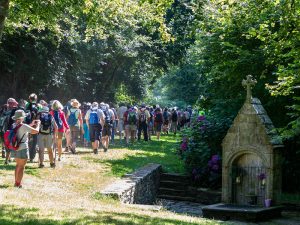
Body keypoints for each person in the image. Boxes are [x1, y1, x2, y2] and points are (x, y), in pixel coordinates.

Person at [10, 110, 40, 188]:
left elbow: (23, 128)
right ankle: (18, 184)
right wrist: (38, 125)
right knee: (22, 166)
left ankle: (16, 182)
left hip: (15, 147)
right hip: (23, 148)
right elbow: (36, 131)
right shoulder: (24, 126)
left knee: (18, 165)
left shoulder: (14, 125)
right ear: (22, 118)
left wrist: (31, 124)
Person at [25, 93, 41, 162]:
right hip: (36, 126)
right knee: (34, 141)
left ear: (29, 98)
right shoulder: (39, 106)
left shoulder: (27, 105)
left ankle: (27, 155)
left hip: (28, 125)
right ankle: (32, 157)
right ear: (36, 99)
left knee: (27, 140)